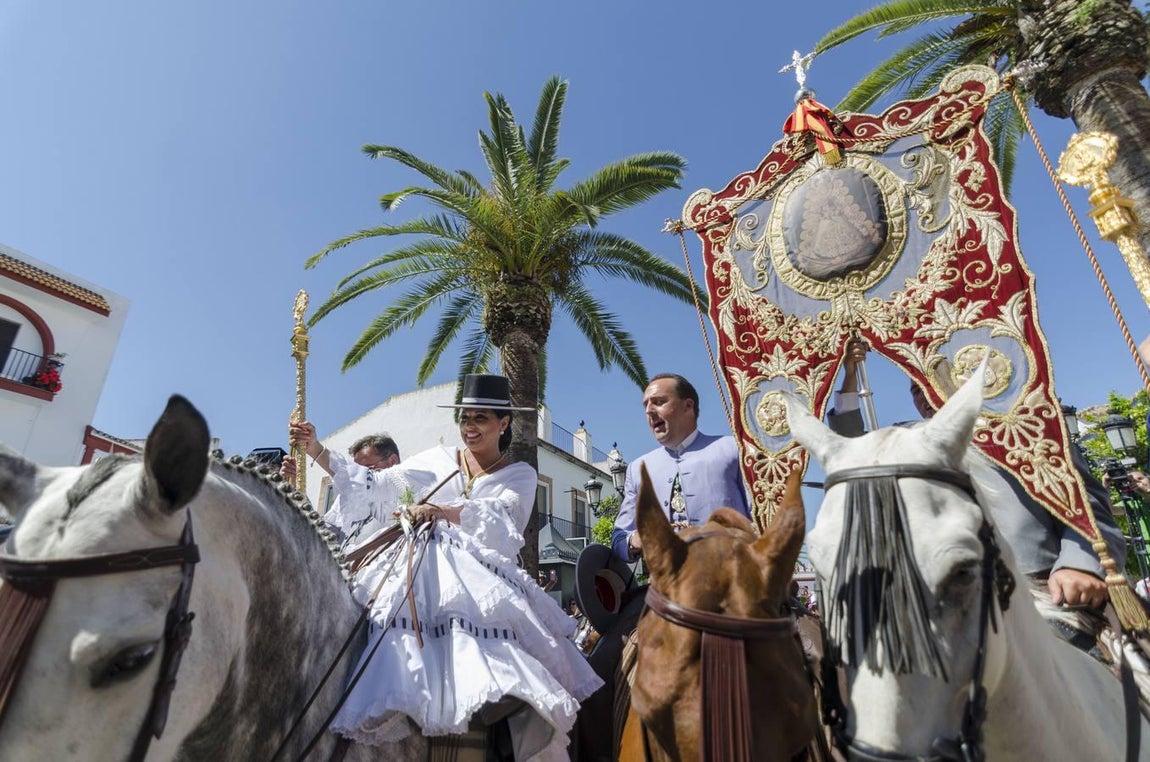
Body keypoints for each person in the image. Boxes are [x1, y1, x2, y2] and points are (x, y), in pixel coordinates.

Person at [325, 374, 601, 759]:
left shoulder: (519, 473)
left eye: (480, 419)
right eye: (465, 418)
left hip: (485, 582)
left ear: (503, 423)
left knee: (510, 669)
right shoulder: (436, 459)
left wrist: (441, 511)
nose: (469, 428)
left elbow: (504, 518)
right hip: (421, 572)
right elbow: (381, 483)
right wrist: (317, 453)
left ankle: (499, 738)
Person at [827, 340, 1127, 611]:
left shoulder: (1023, 428)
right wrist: (851, 378)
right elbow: (854, 447)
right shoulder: (909, 439)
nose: (923, 397)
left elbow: (1087, 506)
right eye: (915, 390)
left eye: (928, 384)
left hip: (1045, 594)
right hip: (949, 603)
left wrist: (1080, 566)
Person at [610, 373, 751, 563]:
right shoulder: (637, 469)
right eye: (646, 405)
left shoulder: (734, 449)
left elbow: (764, 518)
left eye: (659, 402)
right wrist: (636, 539)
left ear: (688, 406)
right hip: (669, 587)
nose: (649, 411)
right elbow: (619, 540)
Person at [282, 426, 401, 547]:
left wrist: (313, 447)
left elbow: (349, 474)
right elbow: (319, 534)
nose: (361, 476)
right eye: (358, 469)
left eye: (367, 469)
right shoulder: (345, 502)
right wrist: (295, 488)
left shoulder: (409, 487)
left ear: (392, 461)